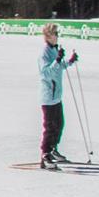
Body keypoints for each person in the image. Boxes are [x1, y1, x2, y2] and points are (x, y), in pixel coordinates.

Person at [38, 23, 79, 167]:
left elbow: (59, 67)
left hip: (56, 96)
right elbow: (45, 72)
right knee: (49, 126)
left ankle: (54, 149)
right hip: (48, 96)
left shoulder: (54, 50)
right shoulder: (45, 53)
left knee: (59, 124)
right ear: (49, 36)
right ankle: (45, 153)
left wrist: (69, 61)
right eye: (55, 34)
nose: (57, 36)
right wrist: (56, 60)